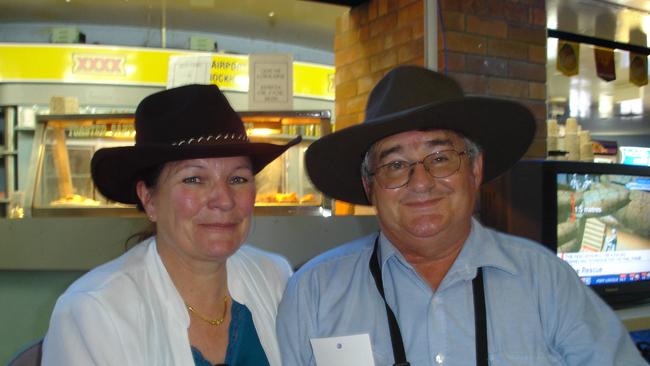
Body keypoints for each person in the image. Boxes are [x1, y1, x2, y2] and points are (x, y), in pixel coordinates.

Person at [276, 65, 646, 366]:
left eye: (440, 158)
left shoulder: (547, 283)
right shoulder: (313, 293)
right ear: (369, 185)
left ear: (475, 168)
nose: (420, 182)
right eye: (395, 164)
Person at [42, 84, 300, 366]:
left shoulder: (275, 279)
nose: (224, 200)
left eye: (238, 179)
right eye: (194, 179)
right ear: (149, 199)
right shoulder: (92, 313)